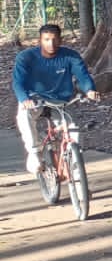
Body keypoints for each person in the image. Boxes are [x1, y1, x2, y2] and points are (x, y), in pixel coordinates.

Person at [12, 23, 99, 176]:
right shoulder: (26, 57)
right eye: (46, 39)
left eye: (54, 39)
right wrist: (24, 98)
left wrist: (90, 90)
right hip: (35, 99)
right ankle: (34, 154)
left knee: (74, 133)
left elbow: (83, 76)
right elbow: (18, 82)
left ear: (60, 40)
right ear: (39, 40)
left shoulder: (70, 56)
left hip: (61, 100)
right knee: (24, 116)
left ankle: (78, 178)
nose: (50, 44)